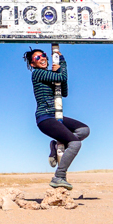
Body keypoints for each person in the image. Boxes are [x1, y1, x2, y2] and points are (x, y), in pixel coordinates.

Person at [25, 48, 90, 189]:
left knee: (84, 130)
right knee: (75, 144)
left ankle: (55, 145)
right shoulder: (37, 74)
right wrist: (63, 65)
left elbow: (64, 92)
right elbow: (62, 78)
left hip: (55, 115)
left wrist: (59, 69)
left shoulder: (50, 74)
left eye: (43, 55)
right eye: (37, 58)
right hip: (45, 118)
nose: (42, 58)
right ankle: (59, 176)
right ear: (32, 64)